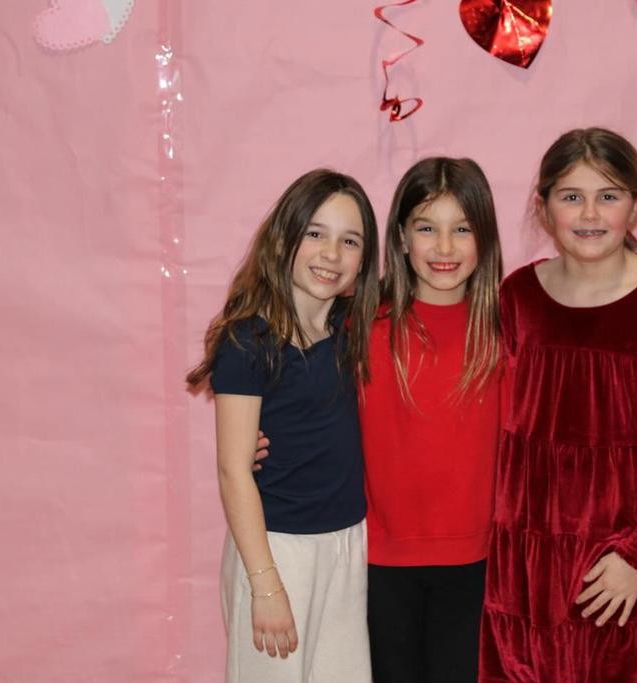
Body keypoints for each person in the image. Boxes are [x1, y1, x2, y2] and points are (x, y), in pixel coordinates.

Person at [479, 128, 637, 682]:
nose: (590, 213)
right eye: (571, 196)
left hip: (620, 570)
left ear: (636, 206)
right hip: (526, 566)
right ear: (544, 208)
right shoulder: (516, 298)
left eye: (608, 196)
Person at [185, 169, 381, 683]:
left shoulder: (349, 330)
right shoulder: (249, 341)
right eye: (315, 233)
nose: (331, 253)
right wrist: (265, 584)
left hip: (345, 542)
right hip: (277, 549)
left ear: (364, 259)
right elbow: (233, 470)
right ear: (284, 238)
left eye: (350, 241)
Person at [363, 157, 503, 682]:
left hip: (477, 562)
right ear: (401, 237)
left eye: (462, 229)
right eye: (427, 228)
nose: (444, 248)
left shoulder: (508, 332)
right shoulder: (362, 327)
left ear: (485, 239)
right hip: (378, 562)